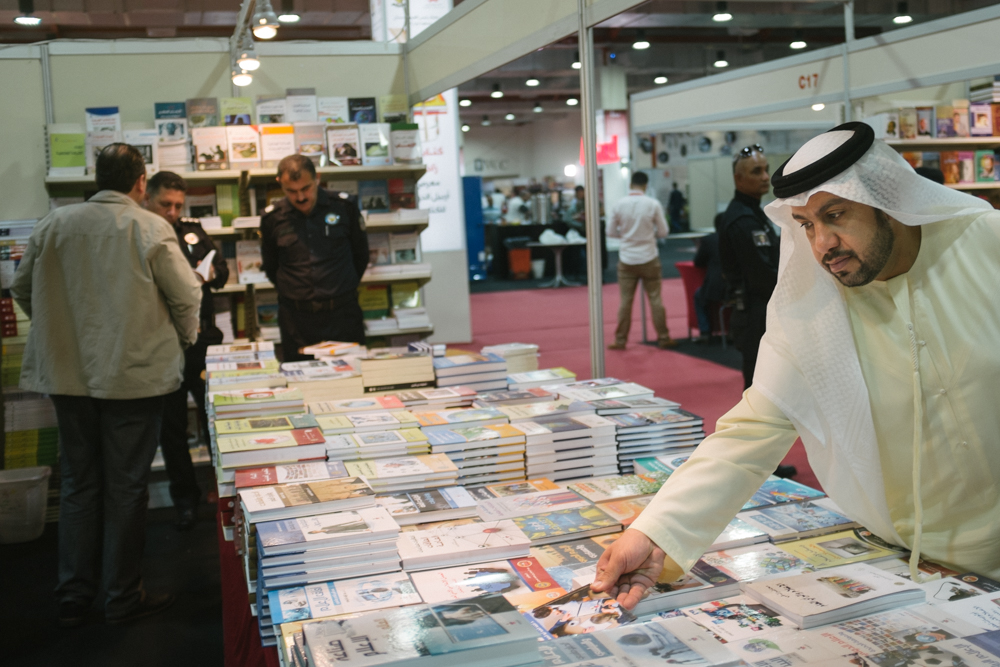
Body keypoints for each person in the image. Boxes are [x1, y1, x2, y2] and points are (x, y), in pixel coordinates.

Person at [590, 122, 1000, 611]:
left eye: (836, 215)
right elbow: (751, 431)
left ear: (887, 200)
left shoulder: (985, 247)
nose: (823, 243)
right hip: (919, 567)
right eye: (806, 224)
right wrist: (656, 533)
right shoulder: (813, 309)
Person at [11, 144, 202, 626]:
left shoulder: (54, 224)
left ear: (97, 179)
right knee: (126, 488)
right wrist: (182, 339)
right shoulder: (150, 227)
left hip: (67, 375)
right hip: (134, 376)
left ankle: (74, 595)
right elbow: (186, 296)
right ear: (140, 182)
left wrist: (57, 328)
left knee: (78, 484)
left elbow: (22, 288)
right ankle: (122, 596)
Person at [144, 170, 230, 530]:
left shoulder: (192, 231)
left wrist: (206, 274)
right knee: (172, 428)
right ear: (147, 197)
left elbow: (221, 272)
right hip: (164, 343)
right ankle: (184, 502)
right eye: (166, 204)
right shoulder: (142, 233)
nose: (173, 212)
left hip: (202, 340)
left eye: (178, 205)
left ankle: (224, 494)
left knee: (216, 421)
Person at [260, 154, 368, 362]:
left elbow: (361, 256)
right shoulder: (272, 218)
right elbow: (272, 266)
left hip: (342, 315)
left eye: (306, 188)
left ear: (317, 178)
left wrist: (339, 289)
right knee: (300, 377)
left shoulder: (344, 207)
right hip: (297, 321)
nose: (300, 197)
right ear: (279, 183)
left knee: (352, 375)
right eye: (291, 191)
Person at [719, 144, 779, 389]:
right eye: (756, 171)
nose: (765, 177)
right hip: (755, 314)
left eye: (766, 169)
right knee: (759, 388)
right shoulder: (742, 220)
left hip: (764, 311)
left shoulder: (754, 213)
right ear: (738, 179)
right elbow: (762, 277)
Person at [606, 171, 677, 350]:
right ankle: (663, 337)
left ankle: (620, 340)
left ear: (630, 184)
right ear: (646, 185)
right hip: (649, 257)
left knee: (625, 302)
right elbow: (663, 232)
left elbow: (610, 232)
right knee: (655, 300)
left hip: (626, 259)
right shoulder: (653, 204)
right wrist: (648, 234)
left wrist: (626, 236)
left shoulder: (619, 204)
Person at [692, 214, 726, 342]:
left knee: (698, 296)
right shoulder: (737, 237)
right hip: (736, 286)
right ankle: (733, 332)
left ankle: (705, 332)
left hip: (715, 286)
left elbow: (698, 262)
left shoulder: (708, 240)